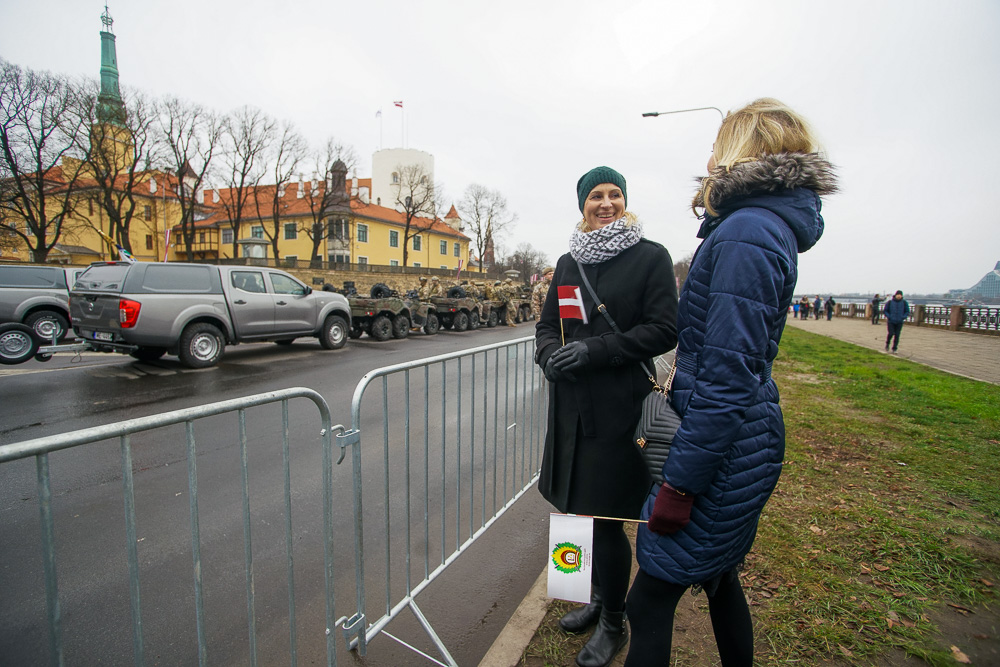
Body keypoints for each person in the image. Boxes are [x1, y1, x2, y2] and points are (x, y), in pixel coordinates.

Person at [625, 98, 837, 667]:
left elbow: (726, 376)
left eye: (718, 146)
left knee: (648, 603)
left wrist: (681, 487)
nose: (710, 159)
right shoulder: (755, 225)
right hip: (735, 439)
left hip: (721, 447)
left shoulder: (746, 231)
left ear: (743, 150)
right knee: (720, 580)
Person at [535, 166, 678, 667]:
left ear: (626, 202)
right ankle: (591, 598)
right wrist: (549, 353)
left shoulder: (650, 257)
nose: (607, 202)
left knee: (607, 521)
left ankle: (615, 621)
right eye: (596, 195)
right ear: (582, 205)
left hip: (619, 410)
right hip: (571, 411)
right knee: (573, 509)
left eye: (615, 194)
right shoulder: (567, 262)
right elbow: (549, 324)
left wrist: (596, 351)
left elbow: (663, 329)